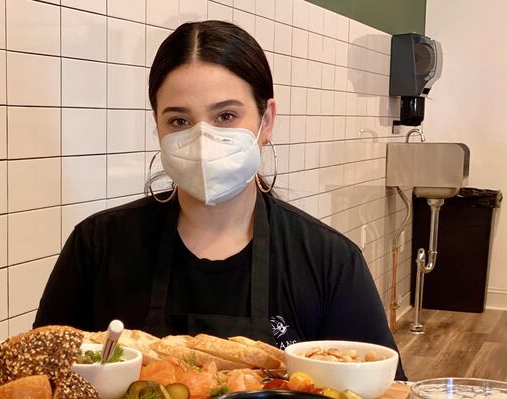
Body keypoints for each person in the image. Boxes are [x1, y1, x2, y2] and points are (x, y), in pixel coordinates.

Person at [35, 20, 406, 379]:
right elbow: (39, 374)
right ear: (158, 126)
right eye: (179, 121)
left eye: (226, 116)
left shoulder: (329, 262)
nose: (202, 138)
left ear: (267, 120)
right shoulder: (97, 245)